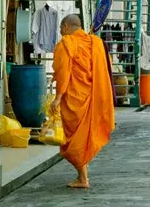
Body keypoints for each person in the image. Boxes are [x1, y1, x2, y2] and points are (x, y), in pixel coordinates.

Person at [51, 14, 115, 189]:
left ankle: (83, 178)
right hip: (93, 96)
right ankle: (82, 177)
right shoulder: (96, 43)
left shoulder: (66, 44)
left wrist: (58, 98)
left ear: (65, 26)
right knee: (83, 137)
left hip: (74, 98)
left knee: (75, 139)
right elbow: (107, 65)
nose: (60, 32)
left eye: (60, 28)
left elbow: (63, 72)